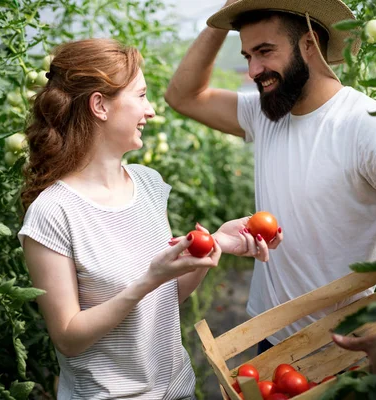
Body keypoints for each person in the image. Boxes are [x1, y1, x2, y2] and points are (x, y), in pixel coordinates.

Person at [164, 0, 376, 369]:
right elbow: (182, 96)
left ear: (309, 43)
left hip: (344, 344)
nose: (254, 69)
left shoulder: (374, 127)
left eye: (265, 51)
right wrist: (222, 18)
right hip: (269, 337)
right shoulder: (266, 113)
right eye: (247, 54)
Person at [18, 38, 283, 400]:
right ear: (100, 105)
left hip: (178, 390)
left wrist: (215, 244)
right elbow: (68, 337)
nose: (151, 110)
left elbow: (165, 298)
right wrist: (148, 280)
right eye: (141, 95)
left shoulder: (147, 184)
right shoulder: (53, 212)